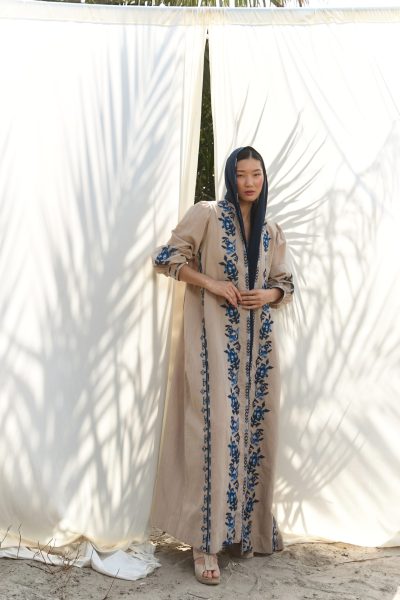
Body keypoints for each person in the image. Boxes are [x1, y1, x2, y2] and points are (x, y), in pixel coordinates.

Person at [150, 146, 294, 585]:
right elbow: (166, 258)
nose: (249, 182)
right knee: (212, 434)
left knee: (255, 433)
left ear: (264, 178)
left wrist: (267, 295)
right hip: (211, 344)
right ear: (231, 177)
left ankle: (245, 532)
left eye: (257, 174)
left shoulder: (270, 230)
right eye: (242, 174)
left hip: (259, 352)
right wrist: (212, 283)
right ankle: (204, 542)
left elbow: (285, 283)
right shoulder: (208, 214)